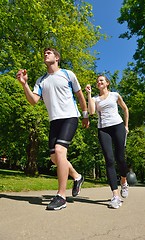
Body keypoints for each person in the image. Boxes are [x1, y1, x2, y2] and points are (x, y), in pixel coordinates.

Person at [16, 48, 89, 210]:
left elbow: (79, 95)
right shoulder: (41, 80)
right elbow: (33, 100)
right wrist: (24, 84)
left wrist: (85, 115)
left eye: (49, 52)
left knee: (60, 151)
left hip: (70, 117)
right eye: (44, 53)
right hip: (54, 121)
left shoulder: (68, 74)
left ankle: (61, 196)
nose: (45, 54)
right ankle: (77, 177)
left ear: (57, 57)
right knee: (54, 158)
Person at [85, 75, 129, 209]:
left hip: (118, 126)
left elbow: (125, 109)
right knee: (109, 160)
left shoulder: (115, 95)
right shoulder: (95, 99)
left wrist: (126, 126)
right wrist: (89, 94)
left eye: (101, 80)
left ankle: (124, 181)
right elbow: (91, 112)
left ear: (107, 83)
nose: (99, 82)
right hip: (103, 130)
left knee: (120, 158)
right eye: (97, 81)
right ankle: (115, 196)